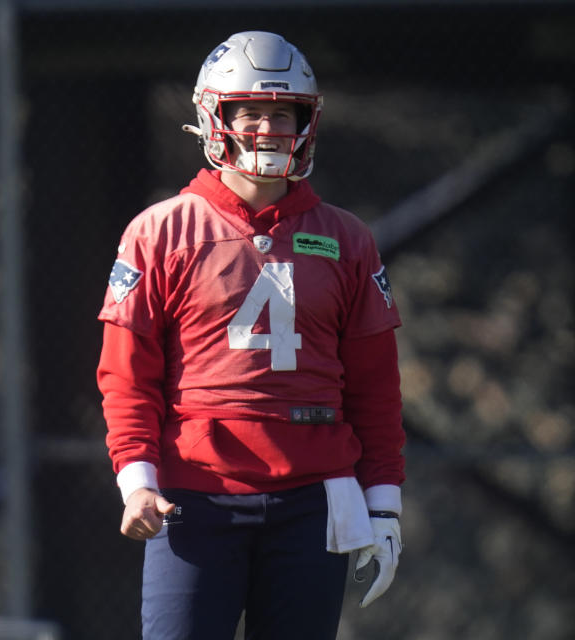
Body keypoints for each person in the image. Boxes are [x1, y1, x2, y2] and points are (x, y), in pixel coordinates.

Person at [97, 31, 405, 639]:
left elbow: (376, 388)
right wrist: (137, 478)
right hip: (196, 490)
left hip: (314, 494)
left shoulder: (347, 238)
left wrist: (384, 502)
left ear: (307, 122)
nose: (269, 128)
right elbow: (127, 373)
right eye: (253, 112)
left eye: (284, 113)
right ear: (216, 117)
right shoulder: (161, 231)